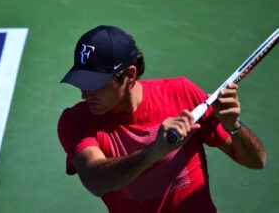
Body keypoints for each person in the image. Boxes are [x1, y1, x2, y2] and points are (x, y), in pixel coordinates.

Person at [57, 25, 266, 213]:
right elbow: (96, 181)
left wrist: (233, 127)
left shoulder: (182, 93)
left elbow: (256, 161)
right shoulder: (76, 121)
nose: (85, 94)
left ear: (129, 75)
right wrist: (154, 151)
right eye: (82, 82)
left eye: (95, 84)